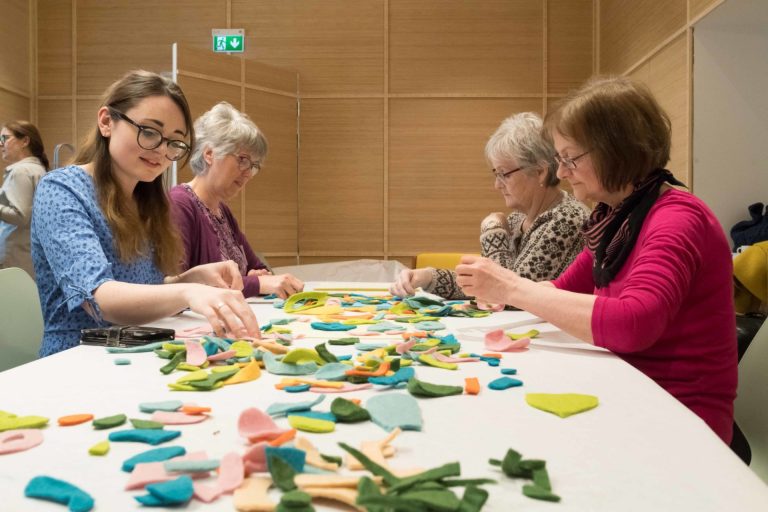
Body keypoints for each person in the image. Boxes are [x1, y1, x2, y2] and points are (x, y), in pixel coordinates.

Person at [456, 76, 737, 444]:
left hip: (681, 417)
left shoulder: (676, 217)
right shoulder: (616, 217)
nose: (560, 172)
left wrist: (511, 286)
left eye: (570, 158)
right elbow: (560, 290)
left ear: (616, 150)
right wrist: (509, 289)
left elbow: (635, 323)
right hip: (632, 389)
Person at [31, 70, 260, 357]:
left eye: (174, 142)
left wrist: (190, 280)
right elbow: (101, 300)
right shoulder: (61, 189)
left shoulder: (146, 200)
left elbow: (143, 287)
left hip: (138, 350)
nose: (161, 151)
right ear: (106, 122)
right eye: (149, 132)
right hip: (77, 357)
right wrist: (187, 293)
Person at [390, 112, 588, 299]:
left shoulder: (566, 218)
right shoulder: (519, 219)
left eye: (504, 174)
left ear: (540, 172)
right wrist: (427, 276)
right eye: (496, 174)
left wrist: (492, 229)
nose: (497, 185)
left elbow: (505, 295)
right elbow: (486, 284)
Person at [169, 102, 303, 299]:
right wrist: (256, 283)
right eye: (242, 159)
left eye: (253, 165)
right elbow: (176, 286)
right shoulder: (179, 204)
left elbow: (257, 268)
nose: (248, 173)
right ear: (209, 154)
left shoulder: (222, 211)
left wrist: (257, 277)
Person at [0, 121, 49, 277]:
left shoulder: (21, 171)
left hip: (15, 257)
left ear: (25, 141)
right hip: (27, 255)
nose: (1, 144)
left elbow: (20, 216)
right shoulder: (38, 169)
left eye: (4, 138)